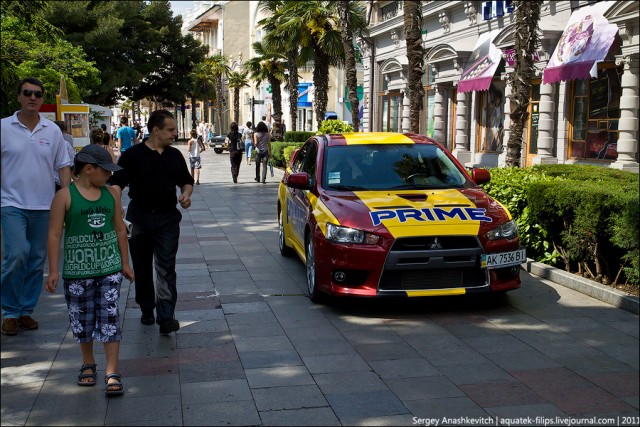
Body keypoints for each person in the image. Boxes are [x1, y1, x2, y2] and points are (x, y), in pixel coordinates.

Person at [45, 144, 134, 397]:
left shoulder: (112, 195)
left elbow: (119, 229)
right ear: (88, 169)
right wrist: (53, 270)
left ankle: (112, 371)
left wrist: (125, 263)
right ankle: (88, 363)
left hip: (109, 268)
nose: (109, 176)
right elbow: (53, 234)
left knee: (109, 318)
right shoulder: (64, 196)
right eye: (106, 171)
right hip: (77, 272)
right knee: (82, 320)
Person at [109, 109, 194, 336]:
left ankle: (166, 317)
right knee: (143, 266)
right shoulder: (132, 155)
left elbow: (186, 181)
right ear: (156, 130)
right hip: (140, 218)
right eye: (171, 129)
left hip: (167, 218)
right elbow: (116, 184)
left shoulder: (174, 155)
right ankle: (147, 307)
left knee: (166, 267)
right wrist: (115, 204)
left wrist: (186, 194)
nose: (175, 133)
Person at [1, 77, 72, 336]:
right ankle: (9, 311)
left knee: (35, 259)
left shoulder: (52, 130)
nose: (33, 97)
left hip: (44, 206)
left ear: (42, 99)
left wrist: (67, 199)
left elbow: (63, 166)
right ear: (18, 96)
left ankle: (24, 310)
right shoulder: (3, 128)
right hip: (10, 203)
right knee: (17, 254)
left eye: (38, 94)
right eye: (27, 93)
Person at [54, 120, 78, 185]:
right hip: (63, 180)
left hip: (51, 181)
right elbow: (72, 162)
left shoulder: (49, 144)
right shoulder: (67, 141)